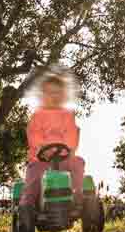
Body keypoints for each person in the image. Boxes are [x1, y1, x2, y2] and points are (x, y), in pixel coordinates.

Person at [19, 72, 85, 212]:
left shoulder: (67, 115)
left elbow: (71, 132)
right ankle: (27, 204)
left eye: (58, 93)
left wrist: (69, 148)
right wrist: (42, 147)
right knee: (34, 175)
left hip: (64, 158)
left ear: (63, 95)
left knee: (78, 163)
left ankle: (78, 196)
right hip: (40, 159)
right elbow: (34, 134)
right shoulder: (38, 115)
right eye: (50, 93)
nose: (54, 96)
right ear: (43, 96)